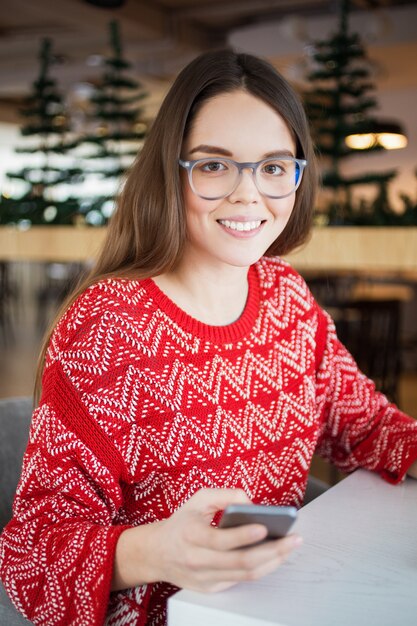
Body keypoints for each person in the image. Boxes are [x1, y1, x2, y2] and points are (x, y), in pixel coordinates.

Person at [1, 48, 417, 626]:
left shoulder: (286, 296)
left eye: (273, 167)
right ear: (171, 172)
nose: (249, 195)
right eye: (215, 165)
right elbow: (31, 560)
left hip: (283, 603)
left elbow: (366, 426)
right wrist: (155, 550)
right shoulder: (107, 328)